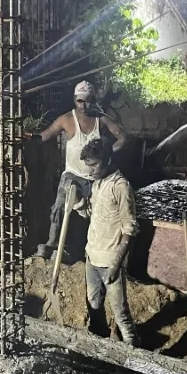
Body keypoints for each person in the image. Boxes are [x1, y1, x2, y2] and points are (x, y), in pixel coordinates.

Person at [36, 81, 127, 259]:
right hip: (72, 175)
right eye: (80, 101)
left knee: (91, 214)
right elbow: (45, 135)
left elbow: (123, 138)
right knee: (61, 205)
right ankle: (52, 243)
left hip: (95, 178)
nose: (84, 105)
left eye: (88, 100)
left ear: (94, 100)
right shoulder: (66, 120)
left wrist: (105, 154)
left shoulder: (101, 119)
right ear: (74, 100)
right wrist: (27, 138)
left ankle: (81, 252)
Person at [76, 138, 138, 346]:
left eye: (94, 165)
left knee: (120, 312)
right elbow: (91, 215)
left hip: (110, 259)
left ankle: (133, 350)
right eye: (88, 165)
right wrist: (78, 202)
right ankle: (98, 347)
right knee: (94, 305)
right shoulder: (98, 184)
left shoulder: (121, 187)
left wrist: (116, 264)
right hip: (92, 255)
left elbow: (129, 228)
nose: (91, 170)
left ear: (108, 160)